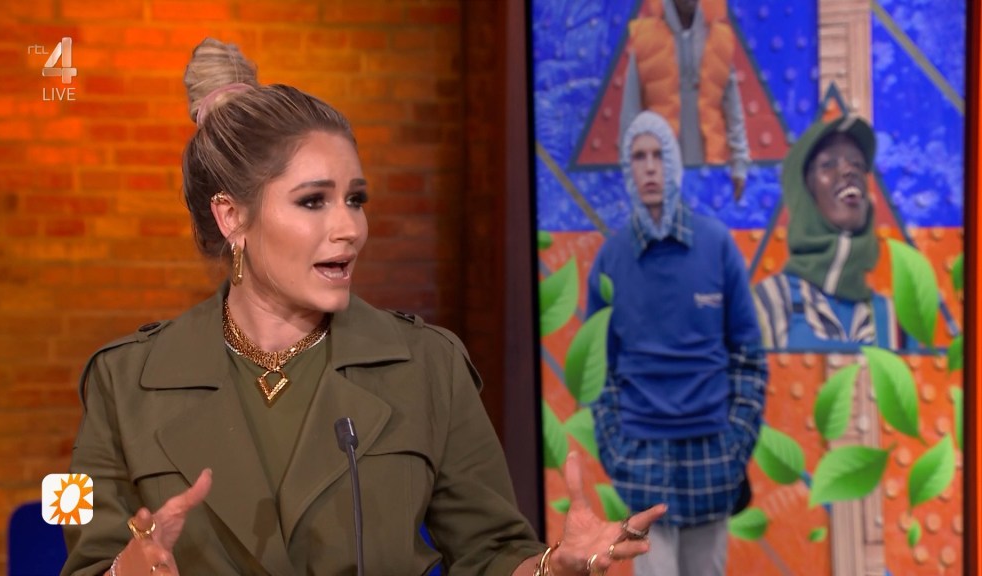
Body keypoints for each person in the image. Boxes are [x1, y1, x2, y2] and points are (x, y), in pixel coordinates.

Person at [59, 38, 666, 576]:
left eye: (356, 199)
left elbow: (491, 552)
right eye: (313, 201)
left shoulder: (431, 366)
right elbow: (74, 538)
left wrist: (550, 569)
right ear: (231, 216)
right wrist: (121, 571)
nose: (350, 228)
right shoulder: (115, 379)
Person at [587, 111, 767, 576]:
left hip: (712, 453)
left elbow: (748, 358)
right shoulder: (611, 258)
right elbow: (598, 371)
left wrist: (734, 447)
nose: (649, 167)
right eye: (638, 157)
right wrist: (617, 452)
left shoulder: (716, 244)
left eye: (658, 155)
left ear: (673, 164)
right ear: (627, 168)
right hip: (641, 455)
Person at [751, 115, 902, 351]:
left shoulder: (894, 320)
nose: (849, 171)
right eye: (828, 164)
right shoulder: (767, 304)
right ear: (804, 192)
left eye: (858, 164)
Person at [619, 0, 750, 200]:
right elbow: (630, 113)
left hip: (711, 169)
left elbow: (733, 109)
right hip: (660, 169)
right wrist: (631, 172)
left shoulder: (719, 38)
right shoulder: (645, 39)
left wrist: (739, 164)